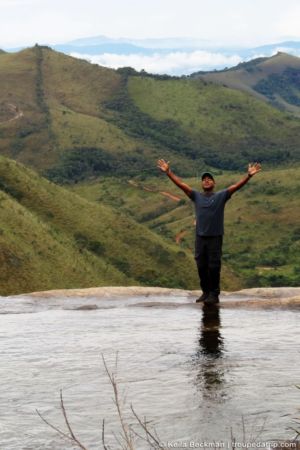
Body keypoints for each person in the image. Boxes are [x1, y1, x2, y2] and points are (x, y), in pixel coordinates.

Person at [157, 159, 261, 305]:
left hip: (215, 237)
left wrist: (248, 176)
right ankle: (205, 292)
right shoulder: (196, 196)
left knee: (214, 266)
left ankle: (214, 294)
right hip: (200, 237)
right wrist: (168, 172)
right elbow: (181, 185)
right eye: (204, 180)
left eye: (209, 179)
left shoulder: (221, 196)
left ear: (214, 183)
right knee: (201, 266)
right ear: (202, 184)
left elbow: (236, 187)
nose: (206, 181)